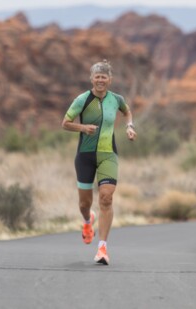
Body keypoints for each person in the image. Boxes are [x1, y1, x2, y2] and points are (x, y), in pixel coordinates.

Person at [61, 60, 137, 265]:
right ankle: (87, 220)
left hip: (108, 154)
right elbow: (65, 123)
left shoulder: (117, 99)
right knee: (85, 203)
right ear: (91, 79)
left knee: (106, 198)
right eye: (97, 77)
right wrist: (83, 128)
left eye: (104, 77)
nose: (100, 80)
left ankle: (102, 248)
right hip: (85, 156)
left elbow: (127, 111)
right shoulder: (82, 100)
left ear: (110, 80)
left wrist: (129, 126)